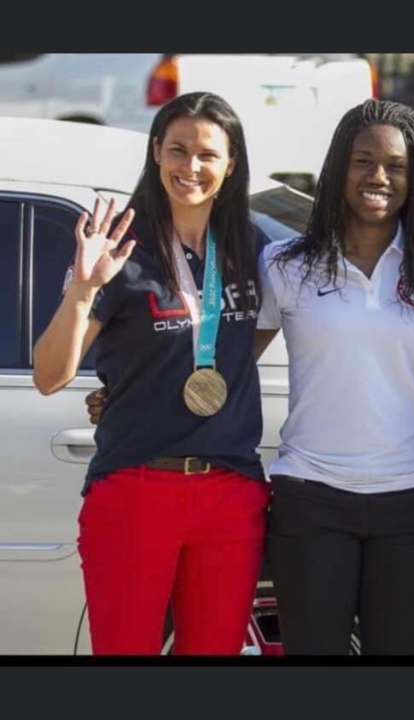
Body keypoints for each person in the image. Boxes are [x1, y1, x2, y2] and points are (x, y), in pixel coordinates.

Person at [34, 92, 270, 655]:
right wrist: (84, 289)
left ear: (231, 163)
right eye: (178, 150)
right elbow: (49, 375)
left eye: (208, 154)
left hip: (231, 492)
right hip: (136, 489)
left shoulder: (252, 243)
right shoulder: (120, 248)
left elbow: (250, 340)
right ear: (156, 153)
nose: (192, 167)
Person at [256, 99, 414, 655]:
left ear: (413, 176)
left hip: (413, 504)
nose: (379, 177)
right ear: (338, 168)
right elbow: (226, 364)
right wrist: (133, 392)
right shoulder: (285, 264)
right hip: (311, 500)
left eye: (396, 165)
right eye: (363, 160)